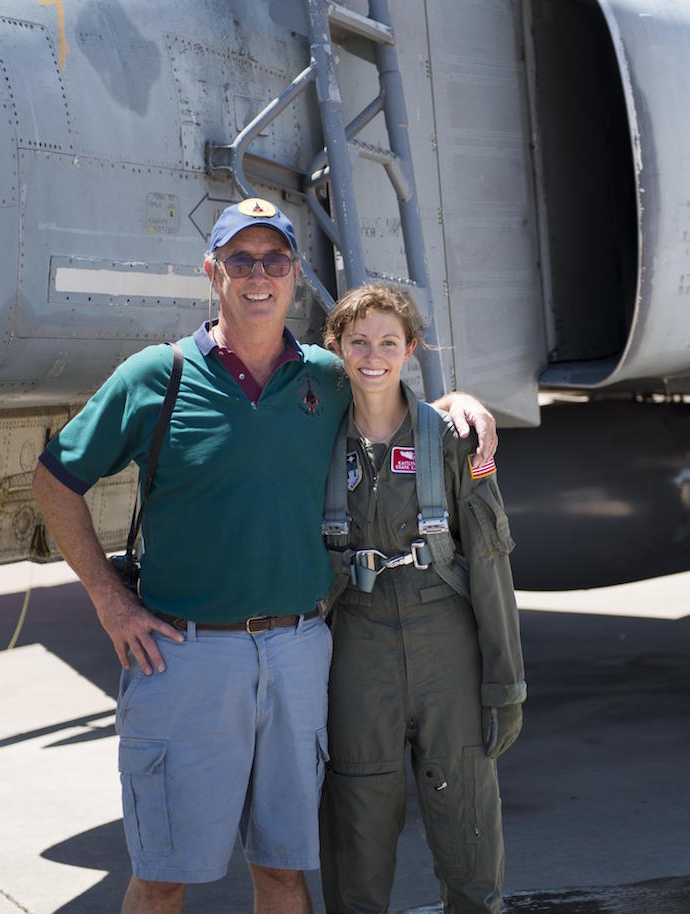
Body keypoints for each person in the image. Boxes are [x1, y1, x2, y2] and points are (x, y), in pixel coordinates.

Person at [31, 200, 496, 914]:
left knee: (283, 874)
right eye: (240, 260)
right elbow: (55, 479)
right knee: (162, 878)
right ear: (211, 272)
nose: (258, 276)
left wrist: (459, 403)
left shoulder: (327, 377)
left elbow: (392, 397)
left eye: (274, 260)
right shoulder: (158, 376)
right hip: (183, 658)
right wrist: (108, 598)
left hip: (299, 654)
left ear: (295, 274)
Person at [318, 284, 525, 914]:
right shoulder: (315, 441)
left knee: (468, 839)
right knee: (357, 843)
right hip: (357, 643)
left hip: (445, 642)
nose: (373, 355)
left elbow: (489, 563)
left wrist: (505, 682)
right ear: (336, 348)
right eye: (358, 342)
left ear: (412, 348)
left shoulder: (452, 440)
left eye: (388, 342)